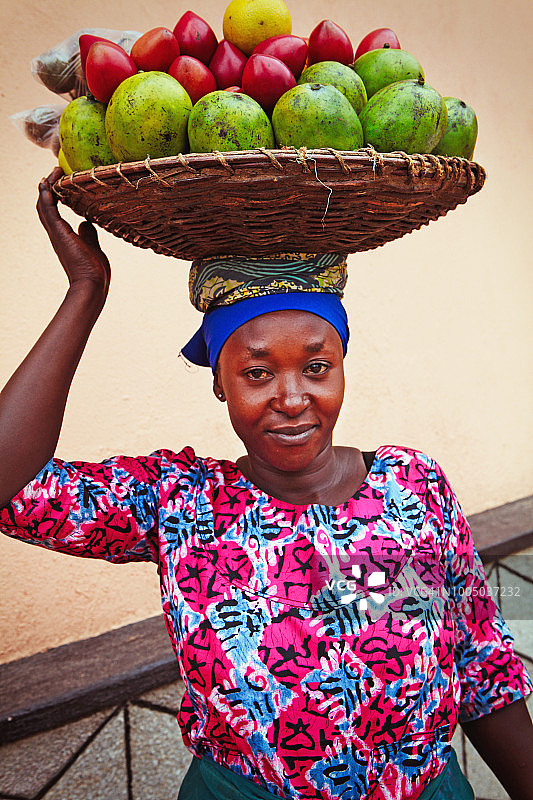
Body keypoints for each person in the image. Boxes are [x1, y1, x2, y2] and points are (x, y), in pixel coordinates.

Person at [0, 169, 532, 800]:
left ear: (341, 369)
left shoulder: (412, 487)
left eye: (316, 367)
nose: (291, 399)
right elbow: (10, 487)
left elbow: (481, 664)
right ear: (219, 382)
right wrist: (86, 290)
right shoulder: (180, 502)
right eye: (256, 373)